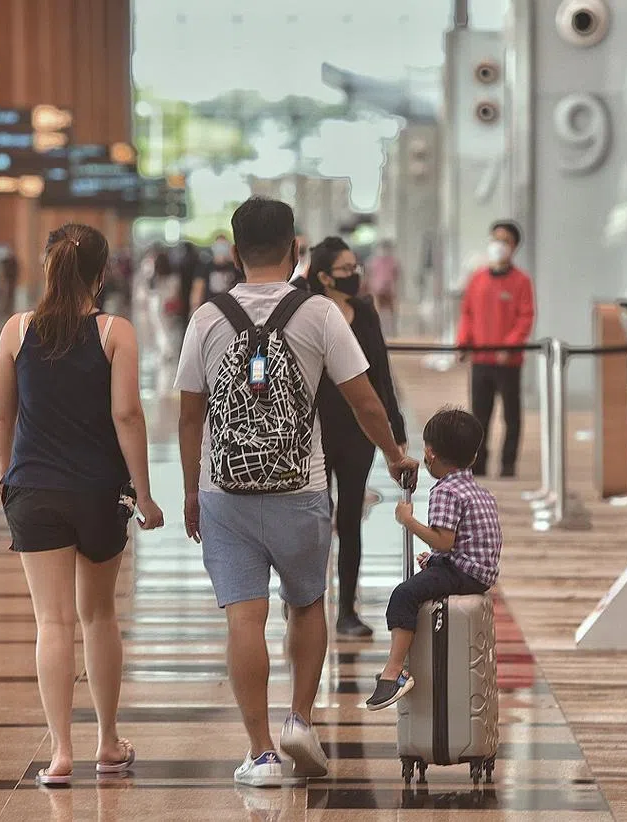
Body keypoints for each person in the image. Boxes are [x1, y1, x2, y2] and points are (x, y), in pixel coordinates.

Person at [175, 197, 418, 787]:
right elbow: (365, 401)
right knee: (307, 604)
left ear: (236, 253)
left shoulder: (207, 318)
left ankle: (260, 753)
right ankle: (299, 721)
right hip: (301, 487)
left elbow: (189, 415)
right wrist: (394, 455)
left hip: (225, 490)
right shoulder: (319, 315)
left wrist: (190, 492)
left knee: (245, 616)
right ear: (294, 251)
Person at [0, 223, 165, 787]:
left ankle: (60, 753)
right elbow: (127, 415)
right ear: (101, 273)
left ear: (47, 268)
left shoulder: (16, 330)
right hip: (98, 491)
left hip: (33, 491)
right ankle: (107, 741)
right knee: (99, 614)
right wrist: (144, 492)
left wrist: (7, 475)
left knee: (52, 621)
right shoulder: (115, 332)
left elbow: (0, 416)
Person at [367, 407, 502, 710]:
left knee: (404, 595)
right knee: (427, 574)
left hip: (464, 573)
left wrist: (408, 521)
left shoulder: (446, 491)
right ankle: (396, 669)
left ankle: (394, 671)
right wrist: (437, 559)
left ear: (429, 453)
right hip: (480, 573)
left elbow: (444, 540)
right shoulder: (478, 491)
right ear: (473, 456)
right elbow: (463, 543)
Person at [306, 237, 406, 638]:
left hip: (359, 432)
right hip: (313, 432)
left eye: (355, 267)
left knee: (350, 519)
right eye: (346, 269)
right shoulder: (306, 309)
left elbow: (381, 373)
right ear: (324, 276)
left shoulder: (364, 311)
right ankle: (305, 604)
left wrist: (396, 431)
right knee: (314, 519)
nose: (354, 275)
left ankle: (347, 609)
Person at [456, 219, 535, 478]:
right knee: (479, 416)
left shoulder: (521, 281)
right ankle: (478, 464)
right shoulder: (477, 279)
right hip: (481, 359)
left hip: (507, 362)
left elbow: (525, 317)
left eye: (505, 241)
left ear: (514, 247)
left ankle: (508, 465)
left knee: (511, 416)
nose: (498, 245)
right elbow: (467, 314)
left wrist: (509, 347)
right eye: (495, 239)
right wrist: (463, 343)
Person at [190, 234, 242, 311]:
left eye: (224, 245)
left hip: (230, 307)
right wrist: (194, 307)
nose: (221, 248)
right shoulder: (206, 267)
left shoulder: (235, 267)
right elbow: (198, 287)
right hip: (211, 306)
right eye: (219, 245)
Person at [365, 240, 402, 334]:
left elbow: (396, 276)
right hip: (377, 288)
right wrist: (370, 288)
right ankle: (376, 327)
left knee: (392, 309)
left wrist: (395, 288)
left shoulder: (394, 262)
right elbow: (369, 275)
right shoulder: (373, 261)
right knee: (377, 309)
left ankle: (394, 328)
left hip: (389, 289)